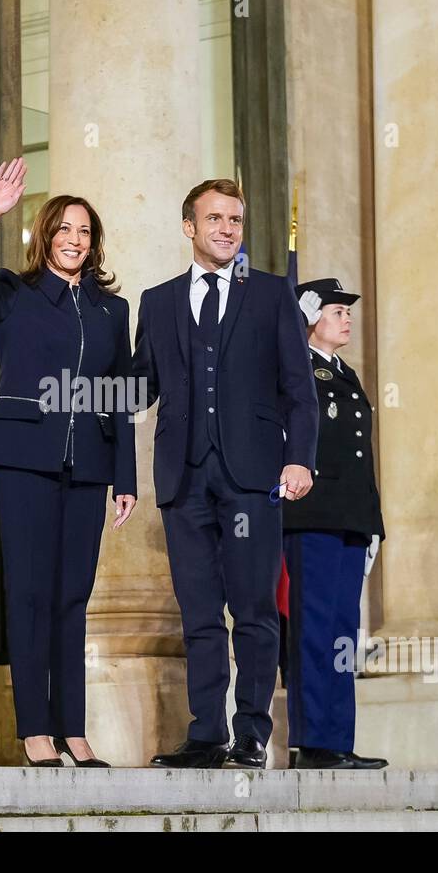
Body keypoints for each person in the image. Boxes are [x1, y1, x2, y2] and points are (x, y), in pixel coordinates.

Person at [0, 157, 136, 767]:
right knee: (28, 593)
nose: (74, 240)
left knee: (72, 597)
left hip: (89, 466)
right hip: (23, 458)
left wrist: (125, 475)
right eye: (64, 230)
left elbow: (122, 395)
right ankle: (34, 731)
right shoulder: (12, 292)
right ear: (45, 236)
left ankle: (72, 730)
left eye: (84, 232)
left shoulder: (113, 311)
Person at [133, 179, 318, 769]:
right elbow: (140, 386)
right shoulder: (157, 301)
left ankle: (253, 734)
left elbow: (299, 390)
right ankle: (207, 733)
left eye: (235, 219)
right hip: (183, 479)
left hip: (252, 478)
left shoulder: (270, 295)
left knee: (255, 610)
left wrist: (300, 458)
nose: (226, 228)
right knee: (200, 613)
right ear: (189, 227)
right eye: (214, 218)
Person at [281, 278, 387, 770]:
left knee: (344, 633)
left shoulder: (345, 374)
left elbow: (359, 456)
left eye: (348, 311)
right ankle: (313, 740)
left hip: (349, 517)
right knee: (314, 628)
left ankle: (338, 739)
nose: (347, 318)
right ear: (310, 317)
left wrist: (372, 523)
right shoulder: (297, 371)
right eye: (336, 310)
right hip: (312, 515)